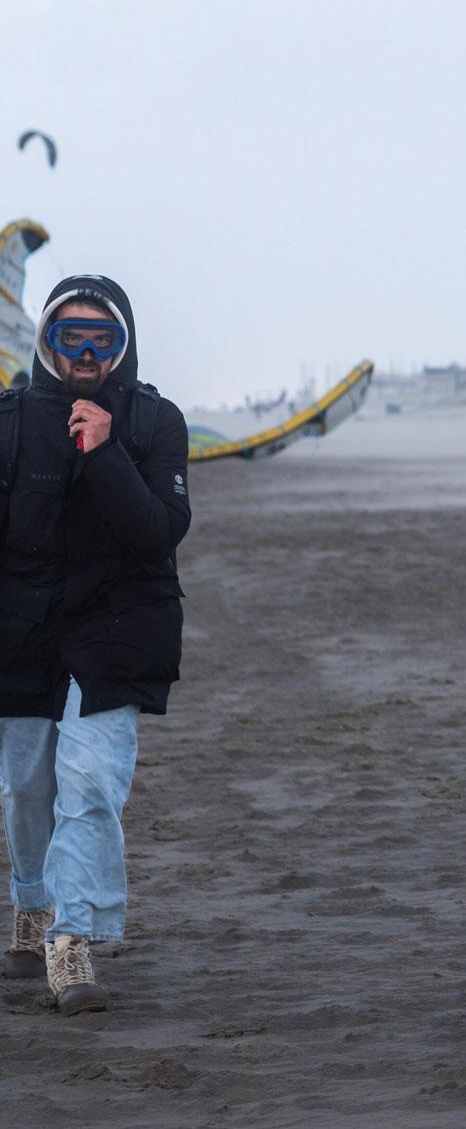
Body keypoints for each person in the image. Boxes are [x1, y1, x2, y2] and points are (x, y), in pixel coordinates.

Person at [0, 275, 190, 1016]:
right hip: (23, 632)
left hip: (117, 630)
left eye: (101, 338)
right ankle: (31, 901)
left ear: (123, 344)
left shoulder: (155, 422)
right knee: (27, 790)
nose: (85, 352)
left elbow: (158, 533)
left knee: (89, 783)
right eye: (69, 335)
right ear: (46, 342)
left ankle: (71, 938)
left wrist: (106, 451)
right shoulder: (10, 421)